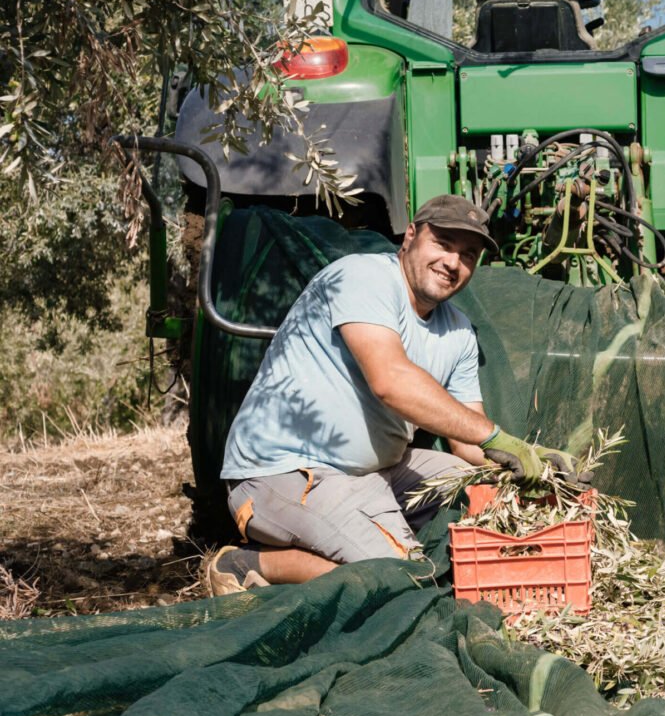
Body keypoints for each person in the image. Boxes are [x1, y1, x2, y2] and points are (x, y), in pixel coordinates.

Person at [206, 194, 575, 595]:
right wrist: (495, 436)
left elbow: (468, 445)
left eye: (468, 255)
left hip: (377, 473)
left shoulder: (459, 332)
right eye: (444, 244)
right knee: (406, 582)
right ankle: (250, 563)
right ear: (411, 236)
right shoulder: (364, 277)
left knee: (482, 489)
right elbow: (390, 381)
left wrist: (535, 462)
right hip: (287, 474)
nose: (453, 263)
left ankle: (359, 548)